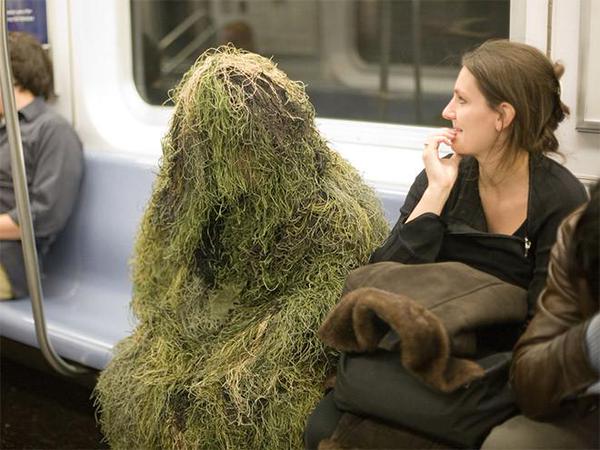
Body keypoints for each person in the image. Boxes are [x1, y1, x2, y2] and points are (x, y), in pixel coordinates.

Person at [305, 39, 588, 448]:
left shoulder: (559, 200)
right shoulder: (444, 178)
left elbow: (546, 328)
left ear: (502, 116)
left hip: (493, 375)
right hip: (422, 354)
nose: (447, 112)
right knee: (322, 424)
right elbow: (378, 283)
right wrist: (436, 192)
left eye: (461, 100)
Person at [482, 181, 599, 449]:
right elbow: (528, 384)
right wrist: (591, 341)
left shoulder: (556, 193)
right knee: (508, 443)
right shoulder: (582, 228)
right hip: (588, 404)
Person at [0, 31, 83, 299]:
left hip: (9, 262)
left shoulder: (52, 131)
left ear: (10, 79)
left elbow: (45, 216)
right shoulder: (5, 128)